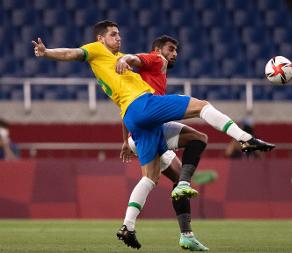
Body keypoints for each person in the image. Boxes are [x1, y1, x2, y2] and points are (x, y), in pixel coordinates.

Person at [32, 20, 275, 250]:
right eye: (113, 34)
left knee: (151, 177)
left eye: (119, 33)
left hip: (134, 119)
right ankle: (245, 138)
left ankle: (130, 226)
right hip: (144, 105)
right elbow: (74, 53)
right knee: (202, 106)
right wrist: (47, 51)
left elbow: (127, 78)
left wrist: (125, 139)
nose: (119, 37)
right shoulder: (100, 51)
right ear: (100, 38)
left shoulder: (116, 63)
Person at [118, 35, 209, 250]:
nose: (175, 53)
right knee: (152, 178)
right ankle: (128, 225)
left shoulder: (155, 77)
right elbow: (135, 59)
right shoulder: (152, 64)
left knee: (170, 180)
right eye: (171, 49)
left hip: (141, 133)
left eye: (176, 50)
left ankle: (185, 234)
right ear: (158, 50)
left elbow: (126, 109)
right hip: (148, 133)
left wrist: (125, 140)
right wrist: (126, 60)